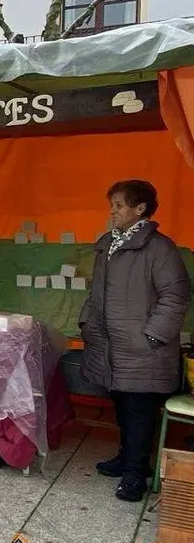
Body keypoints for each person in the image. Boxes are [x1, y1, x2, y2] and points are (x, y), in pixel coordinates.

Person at [80, 180, 191, 502]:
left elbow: (176, 295)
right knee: (121, 404)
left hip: (143, 348)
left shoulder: (160, 248)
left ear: (139, 209)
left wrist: (153, 335)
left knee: (140, 410)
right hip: (111, 345)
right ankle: (128, 459)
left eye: (118, 205)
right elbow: (95, 292)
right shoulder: (108, 245)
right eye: (112, 204)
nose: (111, 211)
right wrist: (88, 321)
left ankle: (135, 474)